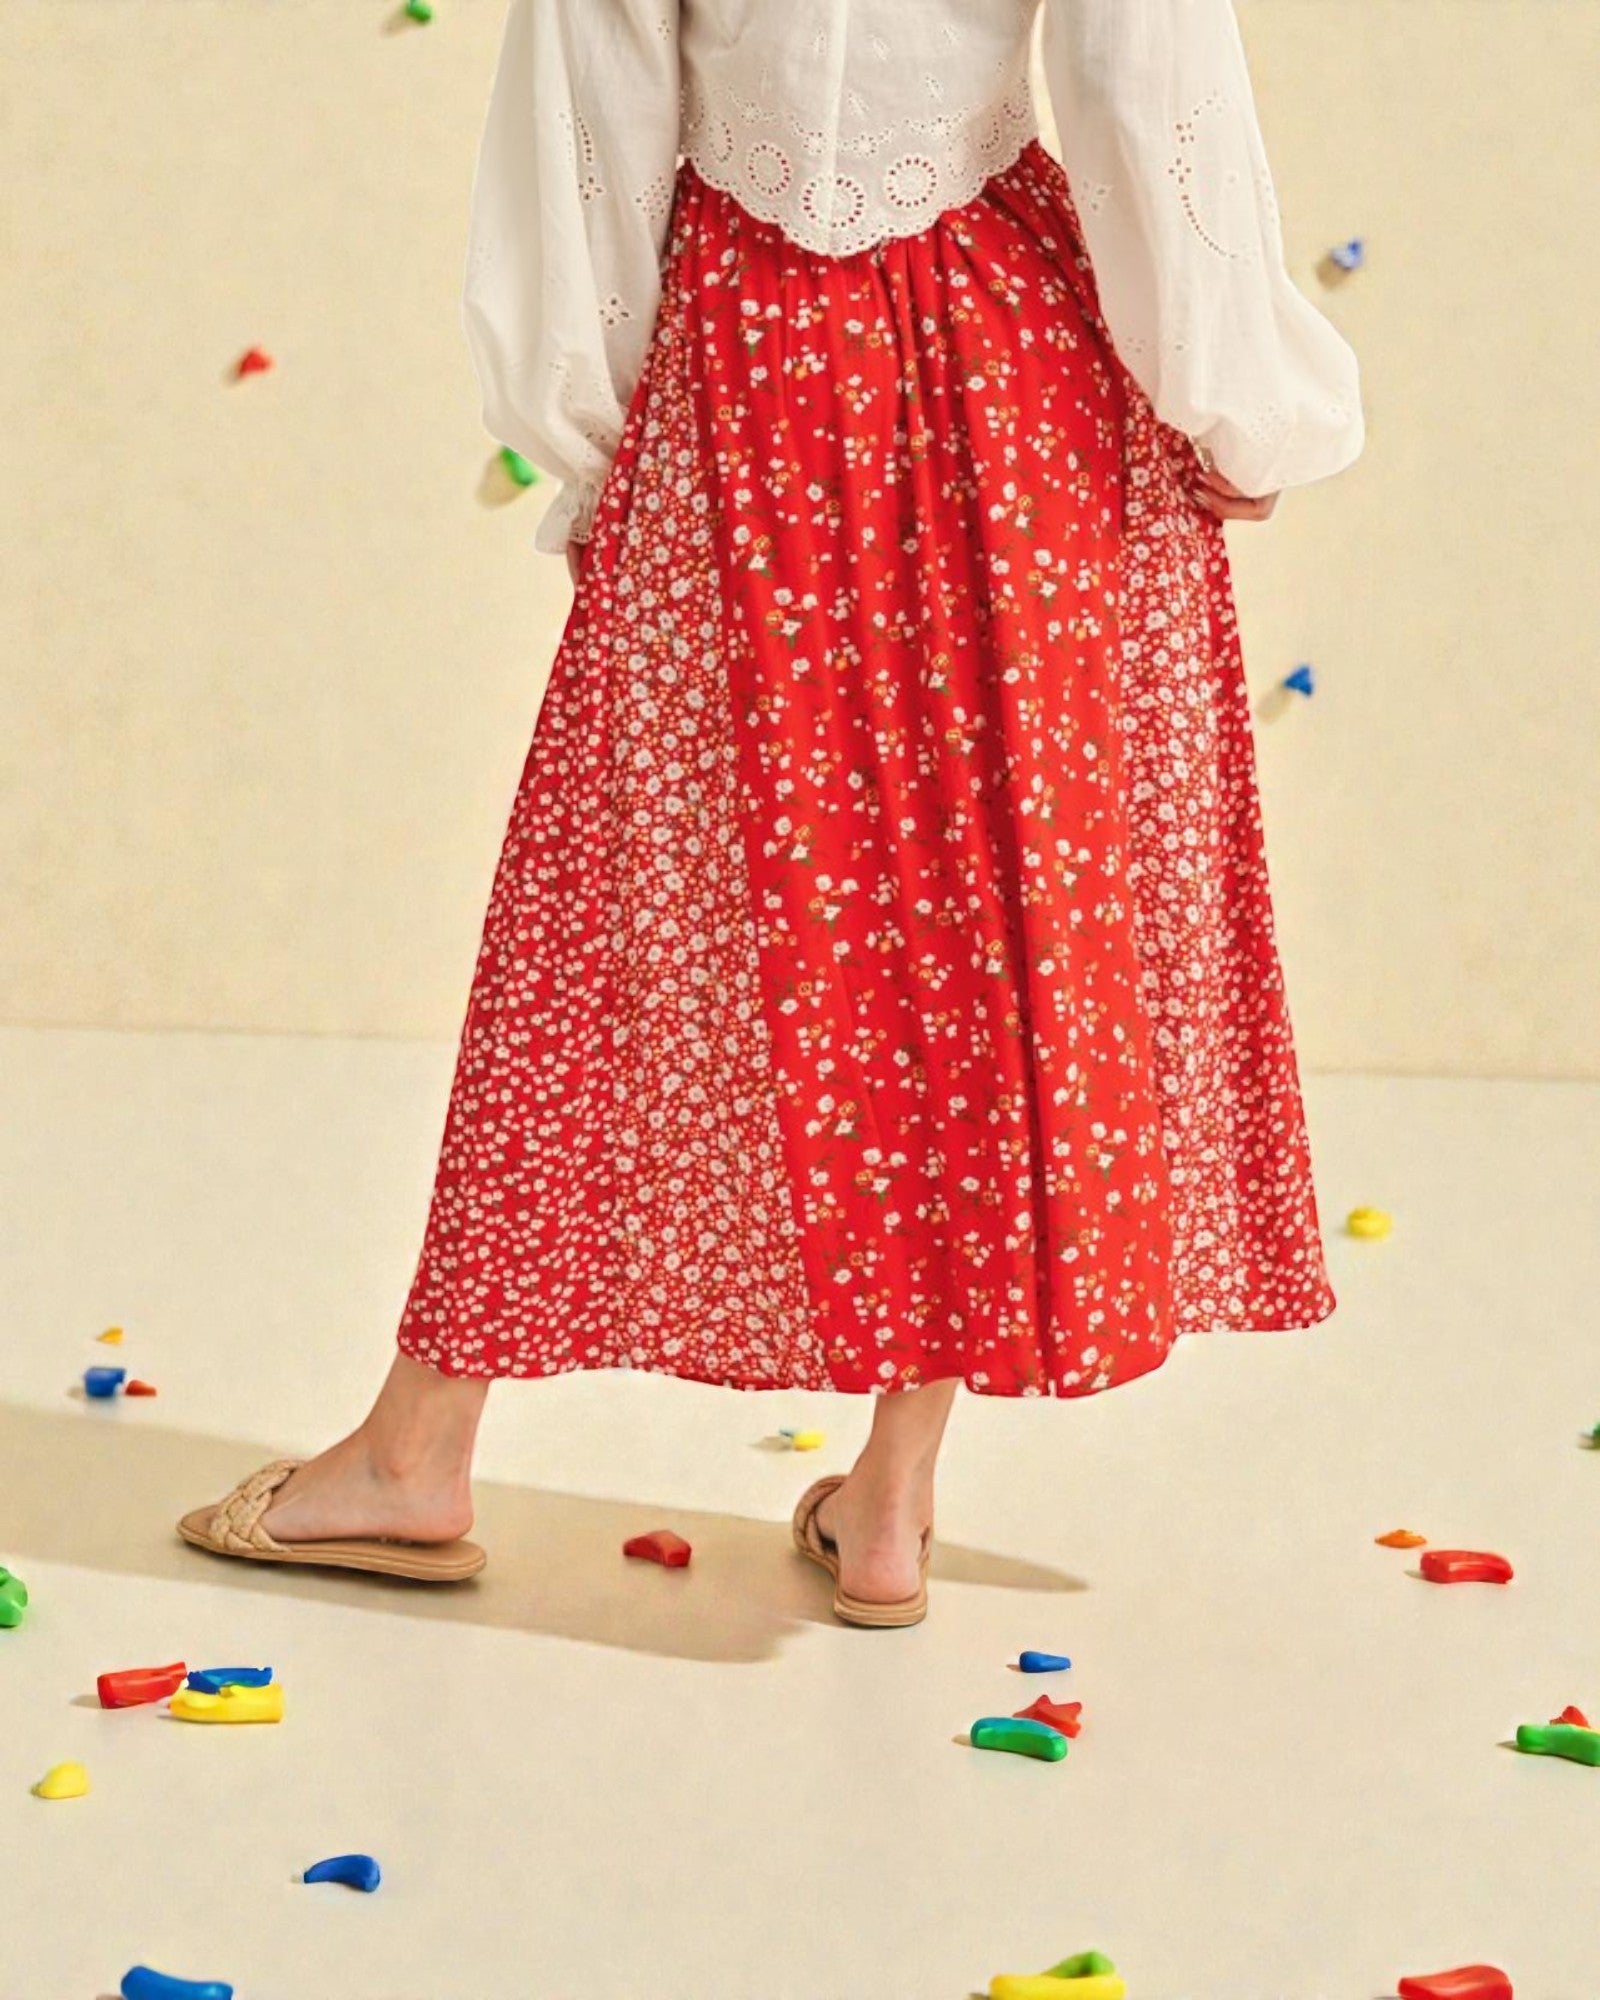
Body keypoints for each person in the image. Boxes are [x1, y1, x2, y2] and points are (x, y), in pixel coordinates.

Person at [179, 0, 1363, 1625]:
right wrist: (1238, 396)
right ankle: (889, 1505)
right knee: (981, 910)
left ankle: (418, 1450)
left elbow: (589, 119)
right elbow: (1134, 74)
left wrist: (592, 444)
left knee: (606, 903)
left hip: (746, 359)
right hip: (1006, 350)